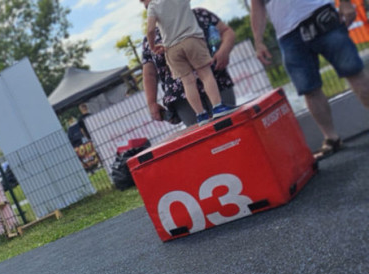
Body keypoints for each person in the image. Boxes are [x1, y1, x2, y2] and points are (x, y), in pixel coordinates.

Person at [251, 0, 369, 159]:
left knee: (354, 72)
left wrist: (345, 3)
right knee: (309, 89)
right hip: (288, 33)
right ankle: (331, 138)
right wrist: (257, 40)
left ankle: (331, 138)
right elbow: (257, 4)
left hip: (319, 13)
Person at [142, 6, 237, 126]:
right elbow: (149, 73)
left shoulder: (199, 14)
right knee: (202, 137)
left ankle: (203, 113)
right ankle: (214, 109)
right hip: (183, 99)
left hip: (217, 82)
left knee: (231, 125)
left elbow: (226, 31)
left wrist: (224, 50)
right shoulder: (149, 39)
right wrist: (151, 102)